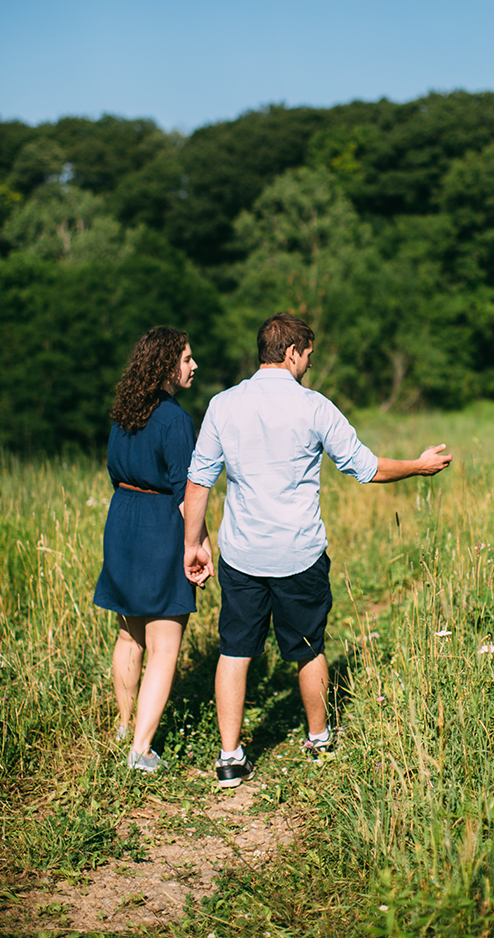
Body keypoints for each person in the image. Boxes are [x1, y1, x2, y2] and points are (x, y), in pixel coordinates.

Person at [182, 313, 451, 789]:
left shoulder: (222, 405)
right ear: (291, 353)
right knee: (309, 648)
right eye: (307, 355)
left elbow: (199, 480)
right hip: (299, 554)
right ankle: (319, 738)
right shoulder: (314, 407)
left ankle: (229, 757)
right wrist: (419, 465)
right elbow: (365, 468)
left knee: (235, 651)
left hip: (241, 553)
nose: (309, 364)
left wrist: (193, 544)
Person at [93, 326, 200, 773]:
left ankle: (124, 727)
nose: (194, 366)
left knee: (128, 632)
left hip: (122, 519)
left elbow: (112, 469)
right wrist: (199, 542)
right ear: (166, 365)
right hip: (159, 525)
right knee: (165, 645)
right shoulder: (175, 420)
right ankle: (140, 749)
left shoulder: (123, 412)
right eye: (187, 358)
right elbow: (186, 491)